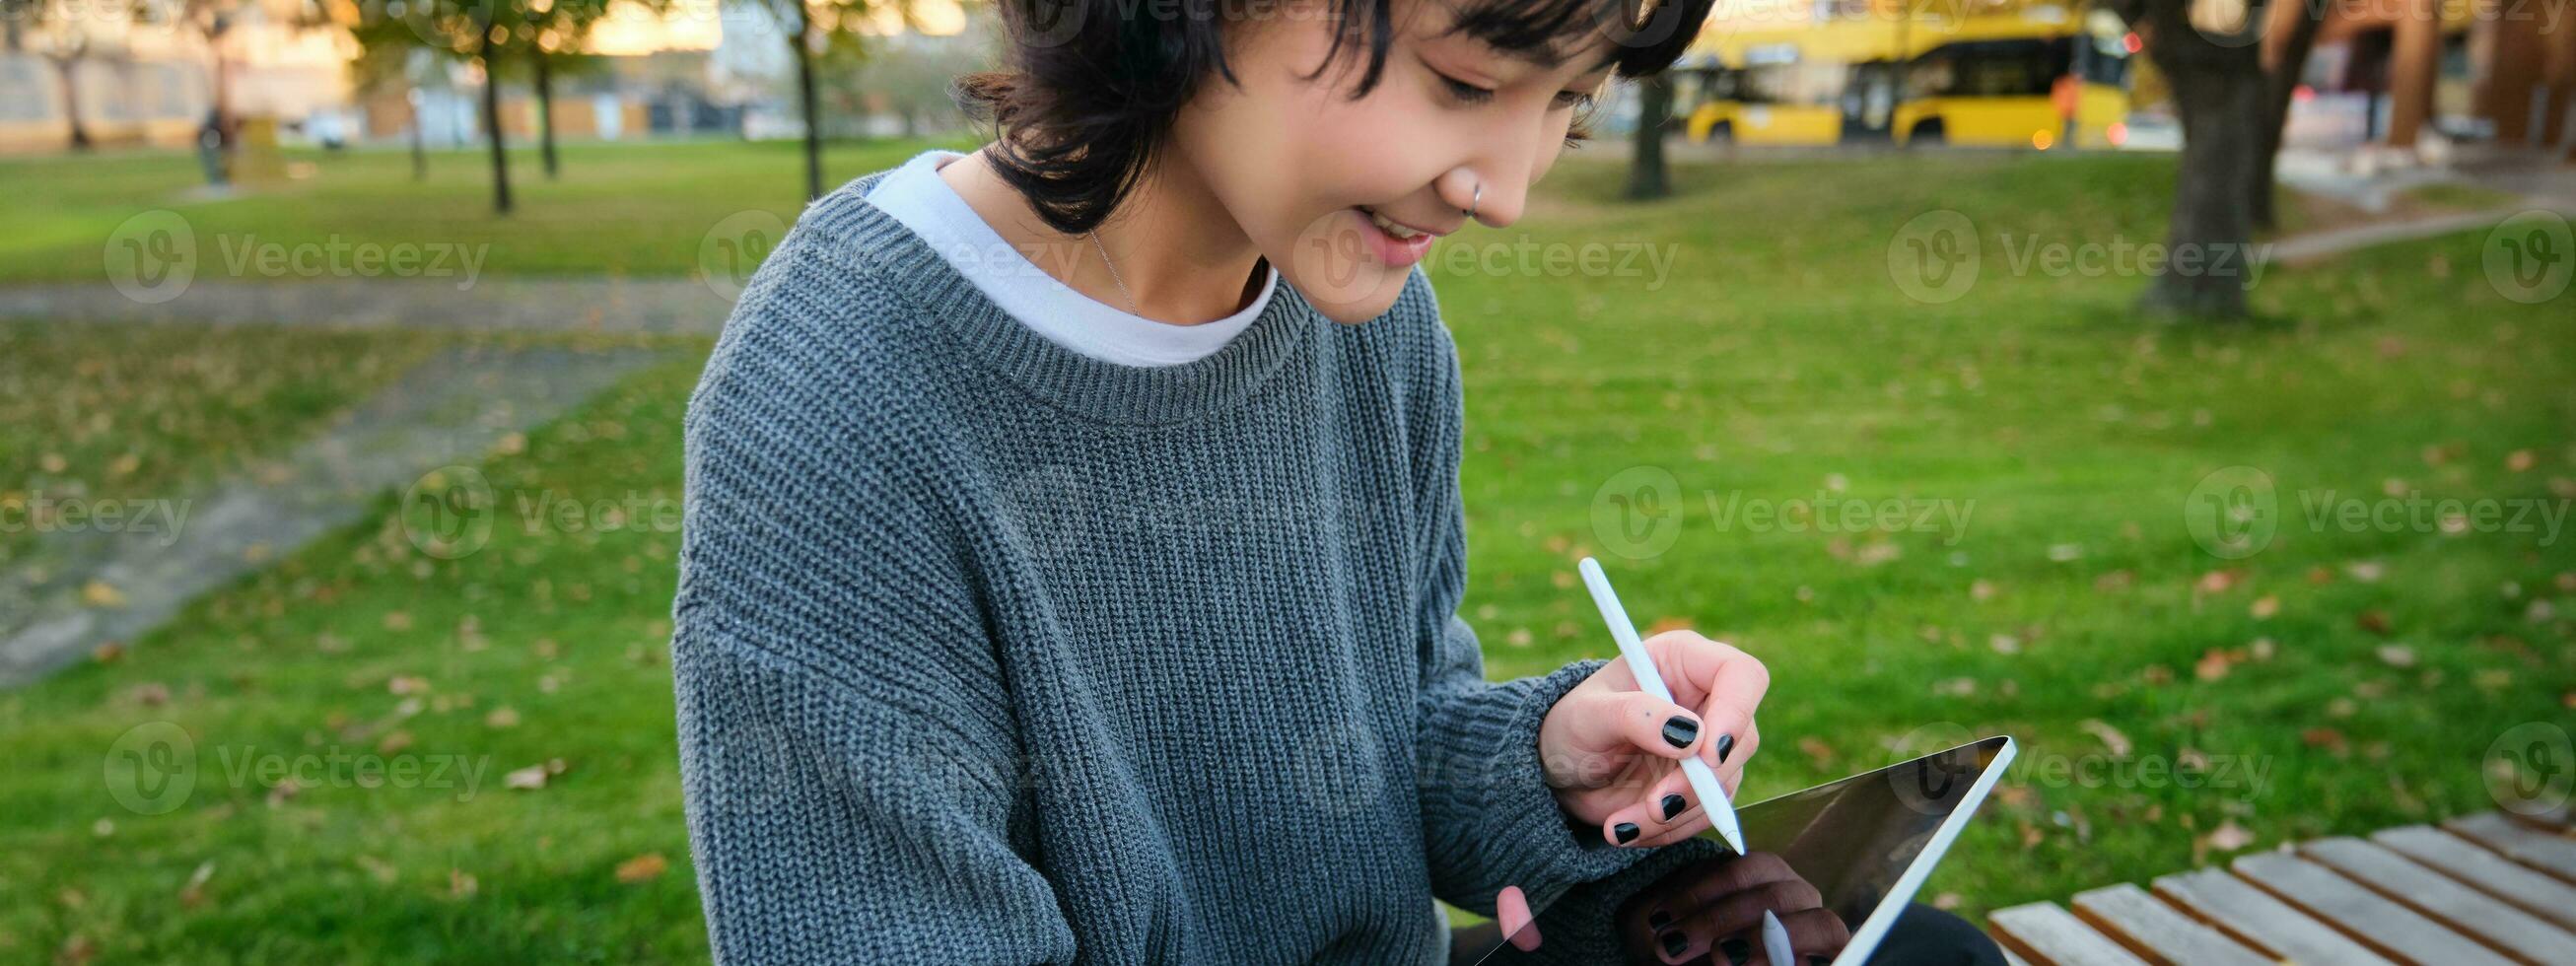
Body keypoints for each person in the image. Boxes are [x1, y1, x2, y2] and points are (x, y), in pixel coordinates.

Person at [670, 0, 1986, 961]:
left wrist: (1547, 765)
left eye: (1568, 110)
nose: (1507, 190)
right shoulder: (844, 388)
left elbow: (1385, 741)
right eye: (1469, 79)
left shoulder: (1364, 316)